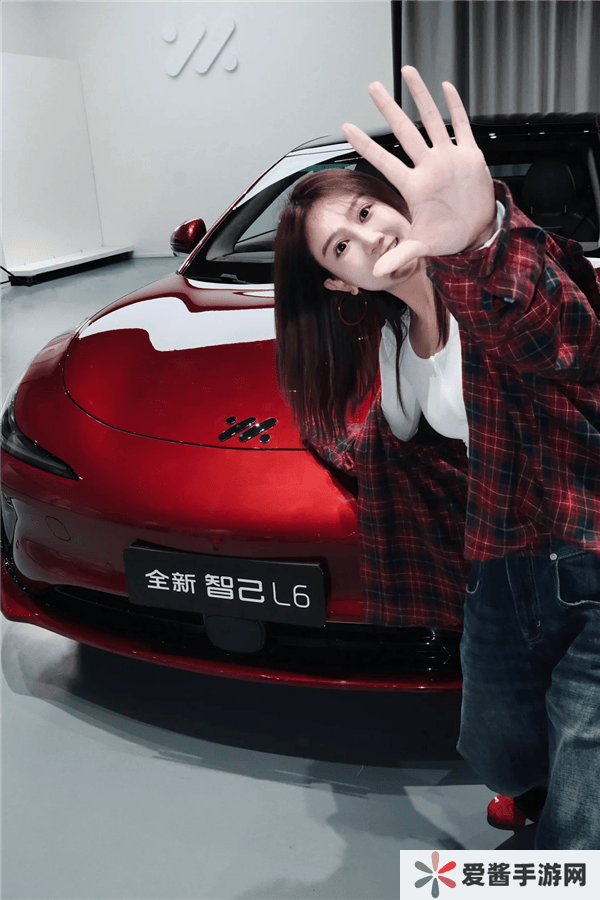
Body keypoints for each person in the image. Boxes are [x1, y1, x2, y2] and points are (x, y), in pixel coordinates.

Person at [273, 66, 600, 850]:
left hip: (586, 545)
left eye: (365, 211)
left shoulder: (497, 283)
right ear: (340, 284)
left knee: (580, 804)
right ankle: (534, 800)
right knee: (498, 747)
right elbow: (388, 444)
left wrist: (481, 239)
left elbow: (561, 337)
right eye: (342, 244)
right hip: (503, 559)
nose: (370, 237)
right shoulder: (391, 343)